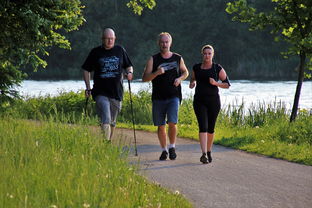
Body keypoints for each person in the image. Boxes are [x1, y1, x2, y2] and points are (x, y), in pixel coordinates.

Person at [142, 32, 189, 160]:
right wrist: (156, 73)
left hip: (174, 95)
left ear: (170, 43)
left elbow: (185, 72)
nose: (164, 44)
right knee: (160, 125)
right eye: (162, 42)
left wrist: (180, 78)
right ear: (159, 43)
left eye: (166, 42)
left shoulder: (177, 58)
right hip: (158, 97)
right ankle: (164, 150)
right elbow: (145, 78)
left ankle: (172, 147)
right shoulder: (153, 59)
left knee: (172, 122)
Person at [82, 28, 134, 140]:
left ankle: (108, 141)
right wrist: (88, 87)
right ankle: (105, 143)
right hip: (100, 92)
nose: (110, 41)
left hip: (116, 92)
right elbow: (86, 69)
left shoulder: (120, 50)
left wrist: (129, 72)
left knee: (113, 122)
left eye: (112, 39)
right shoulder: (95, 52)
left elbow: (128, 65)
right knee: (106, 117)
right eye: (107, 39)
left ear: (115, 38)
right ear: (102, 39)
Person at [189, 44, 230, 164]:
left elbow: (227, 84)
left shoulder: (217, 68)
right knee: (203, 127)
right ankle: (203, 154)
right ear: (202, 54)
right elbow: (193, 78)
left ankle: (209, 151)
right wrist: (192, 83)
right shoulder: (196, 67)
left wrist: (216, 83)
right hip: (199, 101)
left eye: (209, 53)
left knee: (211, 129)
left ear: (213, 55)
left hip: (213, 102)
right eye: (205, 53)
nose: (207, 56)